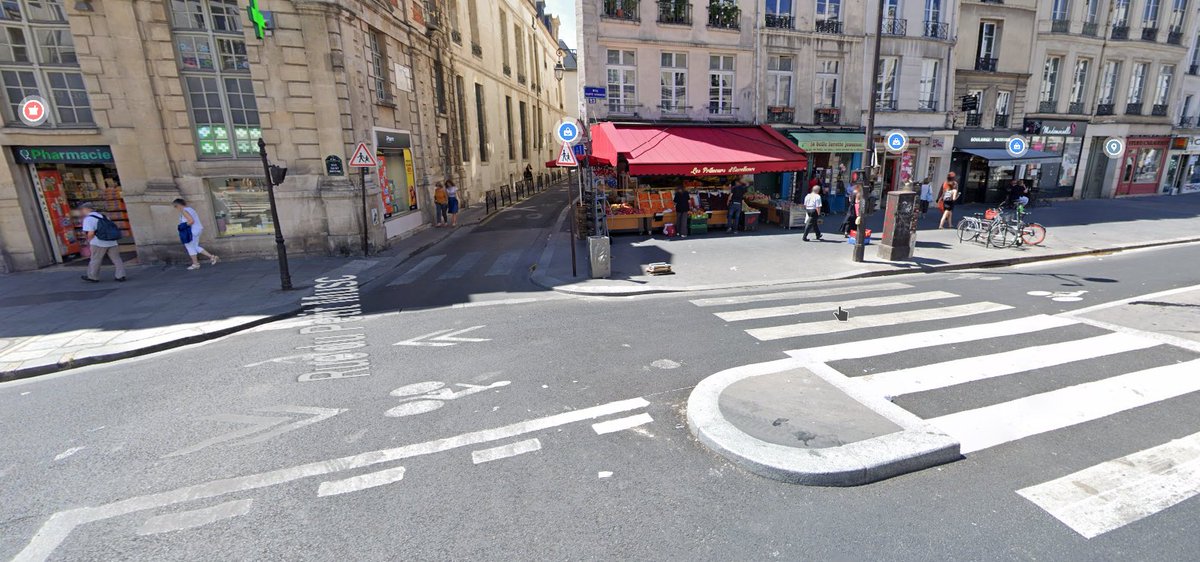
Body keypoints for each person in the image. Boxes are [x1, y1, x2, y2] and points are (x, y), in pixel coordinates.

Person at [79, 202, 126, 283]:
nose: (82, 211)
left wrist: (89, 241)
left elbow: (91, 233)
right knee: (117, 259)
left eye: (83, 209)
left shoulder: (88, 219)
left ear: (88, 209)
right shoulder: (103, 216)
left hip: (98, 242)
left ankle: (93, 276)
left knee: (95, 259)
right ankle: (121, 275)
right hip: (112, 241)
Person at [173, 198, 219, 270]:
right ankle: (211, 257)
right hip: (197, 230)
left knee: (190, 247)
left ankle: (196, 264)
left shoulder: (184, 211)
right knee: (194, 246)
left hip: (192, 231)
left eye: (175, 206)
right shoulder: (190, 209)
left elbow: (191, 221)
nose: (175, 208)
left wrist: (182, 226)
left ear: (178, 205)